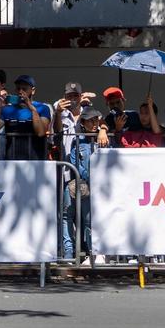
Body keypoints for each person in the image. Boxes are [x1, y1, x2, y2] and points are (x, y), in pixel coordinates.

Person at [62, 105, 107, 261]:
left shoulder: (104, 138)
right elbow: (76, 165)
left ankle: (93, 252)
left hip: (100, 186)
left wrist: (104, 130)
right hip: (82, 184)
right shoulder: (77, 140)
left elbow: (111, 162)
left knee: (90, 219)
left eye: (96, 120)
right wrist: (91, 178)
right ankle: (69, 251)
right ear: (83, 123)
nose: (93, 123)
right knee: (68, 215)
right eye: (90, 121)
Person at [0, 75, 51, 159]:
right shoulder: (8, 109)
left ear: (32, 91)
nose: (20, 92)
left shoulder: (43, 108)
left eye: (24, 89)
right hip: (12, 160)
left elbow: (40, 132)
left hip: (36, 160)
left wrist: (32, 109)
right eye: (18, 89)